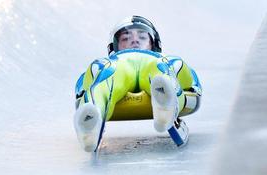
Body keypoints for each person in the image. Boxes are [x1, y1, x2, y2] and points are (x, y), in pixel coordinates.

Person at [74, 15, 202, 152]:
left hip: (151, 63)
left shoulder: (162, 59)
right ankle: (94, 112)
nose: (134, 40)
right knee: (102, 71)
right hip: (120, 65)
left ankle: (166, 101)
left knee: (168, 66)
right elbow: (81, 85)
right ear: (114, 46)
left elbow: (193, 82)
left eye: (142, 37)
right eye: (125, 38)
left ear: (154, 44)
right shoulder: (109, 63)